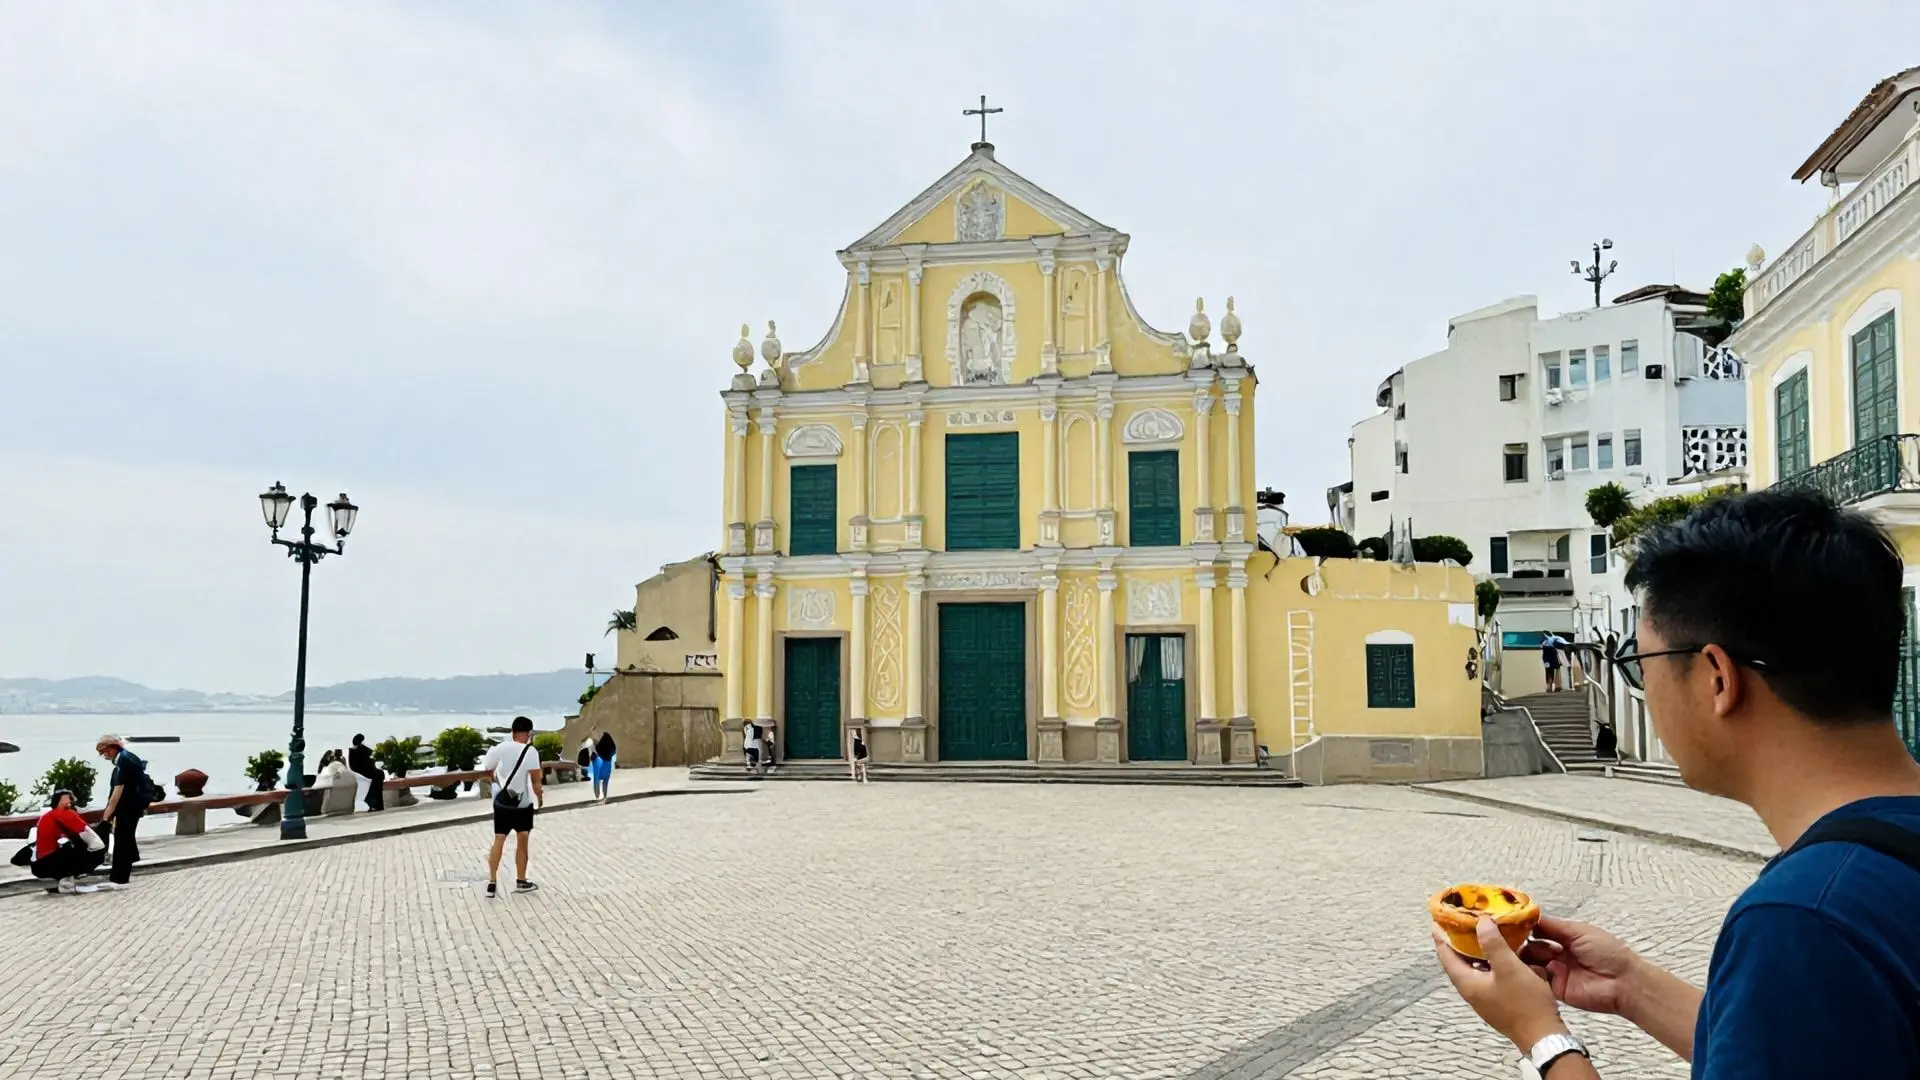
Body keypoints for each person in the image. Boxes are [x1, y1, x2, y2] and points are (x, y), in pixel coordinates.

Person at [1434, 490, 1920, 1078]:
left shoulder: (1803, 919)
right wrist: (1632, 987)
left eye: (1641, 663)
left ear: (1717, 677)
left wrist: (1542, 1037)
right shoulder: (1855, 884)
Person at [482, 716, 545, 899]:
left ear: (513, 732)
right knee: (522, 841)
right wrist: (539, 797)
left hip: (503, 802)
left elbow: (488, 766)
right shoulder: (531, 751)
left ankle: (492, 882)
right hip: (522, 804)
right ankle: (521, 880)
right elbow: (535, 780)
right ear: (529, 733)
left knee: (499, 840)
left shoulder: (501, 748)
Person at [95, 735, 153, 889]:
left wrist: (107, 816)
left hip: (128, 806)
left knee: (122, 840)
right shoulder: (128, 758)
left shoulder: (124, 762)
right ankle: (128, 863)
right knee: (126, 838)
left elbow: (117, 791)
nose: (104, 756)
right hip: (135, 805)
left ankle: (120, 877)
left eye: (104, 752)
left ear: (112, 747)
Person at [30, 790, 106, 893]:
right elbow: (87, 834)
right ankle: (66, 883)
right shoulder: (64, 814)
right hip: (48, 862)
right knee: (90, 851)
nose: (71, 800)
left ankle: (63, 879)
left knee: (69, 847)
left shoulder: (47, 816)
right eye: (68, 798)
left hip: (40, 863)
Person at [348, 734, 385, 812]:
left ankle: (372, 800)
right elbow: (355, 766)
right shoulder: (356, 750)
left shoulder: (361, 748)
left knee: (380, 774)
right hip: (364, 770)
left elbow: (372, 754)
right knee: (378, 776)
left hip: (368, 770)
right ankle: (373, 801)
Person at [591, 732, 617, 804]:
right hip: (607, 760)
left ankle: (598, 795)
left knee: (597, 779)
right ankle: (604, 795)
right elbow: (613, 750)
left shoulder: (596, 738)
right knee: (605, 780)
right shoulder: (607, 738)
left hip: (599, 760)